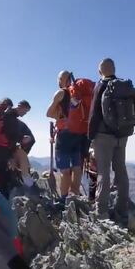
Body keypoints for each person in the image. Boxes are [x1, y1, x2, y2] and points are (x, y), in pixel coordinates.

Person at [88, 58, 135, 224]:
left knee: (103, 172)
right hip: (122, 134)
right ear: (114, 69)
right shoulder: (124, 87)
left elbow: (94, 113)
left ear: (100, 71)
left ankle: (101, 211)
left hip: (103, 135)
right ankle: (122, 210)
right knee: (121, 170)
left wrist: (90, 136)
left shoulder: (101, 85)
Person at [46, 70, 93, 201]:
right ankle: (75, 196)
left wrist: (61, 118)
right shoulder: (80, 94)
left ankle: (64, 199)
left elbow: (49, 113)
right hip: (80, 134)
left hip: (65, 136)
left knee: (65, 171)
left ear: (61, 80)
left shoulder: (61, 93)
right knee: (77, 168)